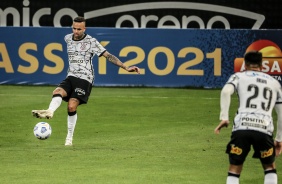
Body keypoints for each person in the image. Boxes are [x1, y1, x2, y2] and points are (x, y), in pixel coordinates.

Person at [32, 16, 140, 146]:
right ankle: (50, 111)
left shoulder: (91, 42)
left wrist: (126, 67)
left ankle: (69, 138)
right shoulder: (68, 38)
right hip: (71, 76)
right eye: (74, 28)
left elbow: (108, 56)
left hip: (85, 78)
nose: (76, 32)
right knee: (57, 91)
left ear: (84, 28)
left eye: (79, 29)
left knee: (71, 106)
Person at [214, 51, 282, 184]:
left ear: (244, 65)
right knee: (269, 168)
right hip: (264, 130)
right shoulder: (275, 83)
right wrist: (279, 138)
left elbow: (226, 91)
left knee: (234, 169)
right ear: (262, 66)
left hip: (241, 128)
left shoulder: (238, 76)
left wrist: (224, 117)